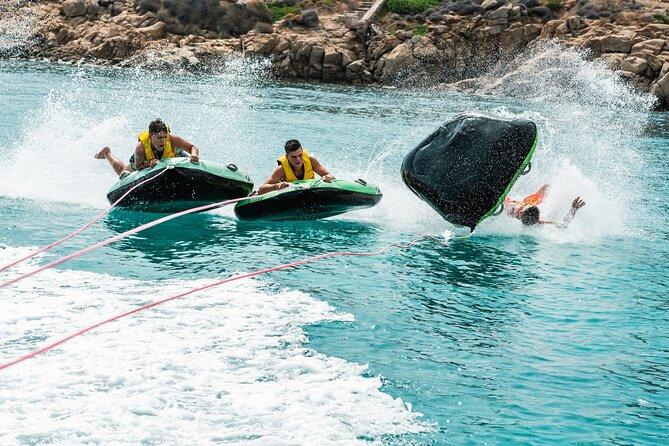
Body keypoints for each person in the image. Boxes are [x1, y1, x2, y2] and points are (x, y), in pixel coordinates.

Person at [94, 118, 200, 178]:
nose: (162, 140)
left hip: (173, 155)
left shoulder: (172, 139)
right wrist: (149, 163)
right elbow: (139, 166)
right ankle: (107, 153)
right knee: (123, 173)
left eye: (164, 137)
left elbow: (192, 147)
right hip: (144, 159)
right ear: (150, 136)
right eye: (159, 138)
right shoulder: (140, 148)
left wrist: (194, 155)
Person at [257, 139, 335, 195]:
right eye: (294, 157)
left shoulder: (311, 161)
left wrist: (327, 177)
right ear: (287, 157)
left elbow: (331, 176)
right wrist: (276, 186)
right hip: (289, 195)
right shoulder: (282, 169)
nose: (298, 159)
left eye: (300, 155)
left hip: (309, 192)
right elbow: (261, 189)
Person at [506, 184, 586, 228]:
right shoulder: (535, 219)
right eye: (522, 208)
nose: (519, 210)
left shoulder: (511, 212)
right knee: (546, 187)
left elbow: (564, 225)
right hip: (530, 202)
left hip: (516, 203)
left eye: (521, 211)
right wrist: (573, 209)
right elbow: (564, 225)